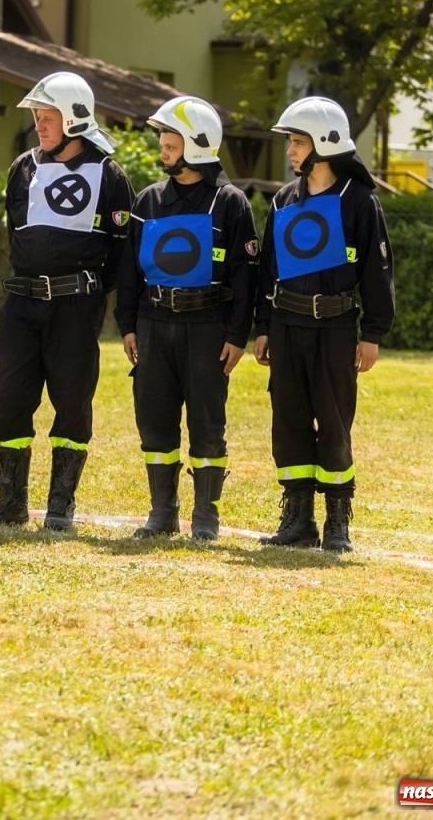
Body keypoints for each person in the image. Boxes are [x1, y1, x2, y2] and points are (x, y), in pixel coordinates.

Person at [0, 71, 134, 531]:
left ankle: (60, 506)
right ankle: (10, 502)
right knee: (10, 398)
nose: (39, 124)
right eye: (36, 116)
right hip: (22, 305)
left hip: (75, 307)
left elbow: (123, 249)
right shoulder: (23, 168)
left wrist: (87, 290)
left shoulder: (110, 175)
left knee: (72, 403)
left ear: (74, 118)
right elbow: (16, 232)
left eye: (47, 115)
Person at [253, 96, 394, 552]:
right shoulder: (282, 200)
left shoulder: (358, 202)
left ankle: (337, 521)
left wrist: (372, 333)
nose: (291, 151)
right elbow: (267, 270)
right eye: (291, 143)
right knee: (289, 420)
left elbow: (378, 271)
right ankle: (297, 520)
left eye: (297, 142)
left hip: (335, 329)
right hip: (287, 325)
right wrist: (264, 327)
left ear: (325, 144)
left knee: (333, 422)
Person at [115, 96, 257, 541]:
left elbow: (245, 274)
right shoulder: (148, 201)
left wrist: (238, 334)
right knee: (154, 418)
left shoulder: (230, 203)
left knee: (207, 422)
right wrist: (128, 325)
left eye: (171, 142)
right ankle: (162, 512)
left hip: (208, 329)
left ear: (197, 144)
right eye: (163, 141)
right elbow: (129, 271)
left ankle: (205, 517)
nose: (163, 149)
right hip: (155, 326)